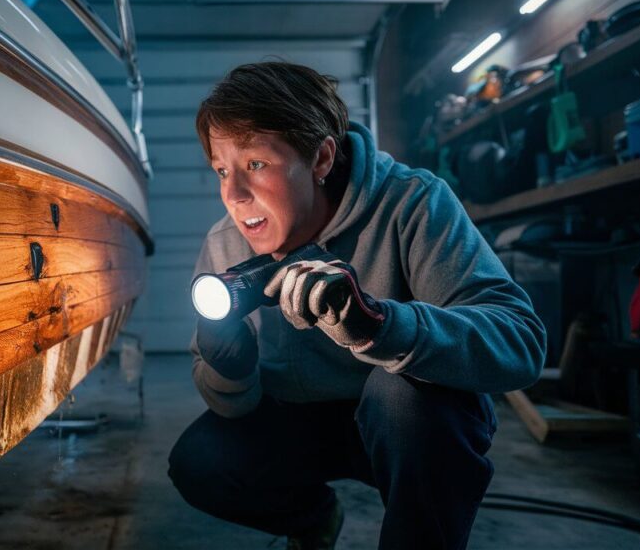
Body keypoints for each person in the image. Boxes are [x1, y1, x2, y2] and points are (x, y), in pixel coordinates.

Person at [168, 61, 546, 550]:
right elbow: (232, 407)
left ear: (322, 158)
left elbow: (522, 341)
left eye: (255, 164)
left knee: (405, 402)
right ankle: (313, 520)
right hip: (301, 418)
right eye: (222, 170)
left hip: (402, 423)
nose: (234, 195)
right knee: (201, 462)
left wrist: (384, 328)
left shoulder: (414, 203)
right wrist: (230, 369)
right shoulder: (226, 244)